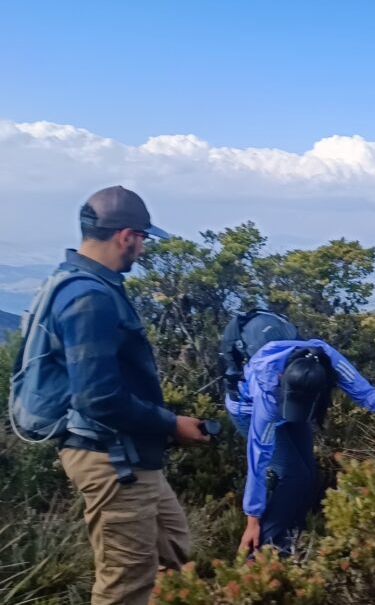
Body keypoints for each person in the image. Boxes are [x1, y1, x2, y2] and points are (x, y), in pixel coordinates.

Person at [11, 186, 210, 605]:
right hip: (111, 458)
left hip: (125, 452)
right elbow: (98, 397)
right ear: (126, 236)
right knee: (125, 583)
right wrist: (170, 424)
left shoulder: (73, 282)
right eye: (143, 239)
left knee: (171, 550)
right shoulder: (90, 297)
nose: (143, 249)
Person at [237, 340, 375, 554]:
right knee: (295, 476)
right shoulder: (267, 389)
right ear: (282, 377)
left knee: (308, 474)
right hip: (250, 410)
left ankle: (290, 539)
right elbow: (258, 458)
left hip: (294, 399)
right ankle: (260, 550)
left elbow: (360, 388)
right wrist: (252, 518)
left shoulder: (327, 358)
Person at [219, 309, 299, 436]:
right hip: (249, 410)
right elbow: (261, 446)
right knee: (278, 448)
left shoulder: (298, 347)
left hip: (280, 398)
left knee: (301, 445)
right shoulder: (263, 380)